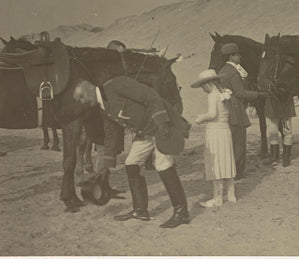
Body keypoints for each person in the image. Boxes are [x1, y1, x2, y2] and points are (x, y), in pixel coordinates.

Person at [73, 76, 191, 228]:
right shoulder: (102, 108)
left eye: (81, 99)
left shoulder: (116, 85)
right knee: (131, 163)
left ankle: (182, 214)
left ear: (88, 91)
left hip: (162, 128)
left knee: (163, 165)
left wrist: (162, 123)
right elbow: (111, 133)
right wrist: (105, 166)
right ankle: (140, 210)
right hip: (145, 132)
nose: (82, 104)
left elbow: (150, 96)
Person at [218, 43, 268, 180]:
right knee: (239, 141)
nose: (240, 56)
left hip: (225, 109)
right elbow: (240, 93)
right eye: (237, 54)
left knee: (229, 142)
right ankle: (238, 172)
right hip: (235, 109)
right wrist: (259, 94)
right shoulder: (233, 72)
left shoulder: (222, 70)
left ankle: (228, 170)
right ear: (231, 56)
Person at [192, 69, 237, 207]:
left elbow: (212, 114)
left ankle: (217, 198)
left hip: (215, 132)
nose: (203, 89)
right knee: (226, 161)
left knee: (216, 163)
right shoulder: (223, 93)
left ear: (208, 84)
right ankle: (231, 194)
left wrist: (201, 118)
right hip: (225, 130)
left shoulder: (212, 95)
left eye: (203, 86)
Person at [263, 92, 296, 167]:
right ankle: (274, 156)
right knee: (272, 130)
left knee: (287, 130)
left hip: (286, 102)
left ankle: (286, 156)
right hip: (271, 102)